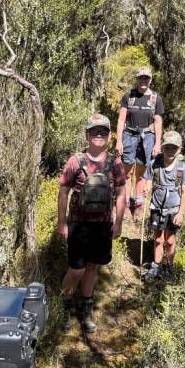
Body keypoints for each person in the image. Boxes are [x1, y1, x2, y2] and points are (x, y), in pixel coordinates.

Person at [57, 114, 126, 333]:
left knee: (92, 268)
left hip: (102, 226)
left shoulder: (115, 163)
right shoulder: (75, 161)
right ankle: (65, 305)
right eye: (94, 131)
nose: (99, 135)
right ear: (87, 135)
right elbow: (63, 191)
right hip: (78, 225)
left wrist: (118, 223)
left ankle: (85, 310)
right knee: (76, 270)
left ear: (109, 136)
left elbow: (122, 192)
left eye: (103, 131)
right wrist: (62, 223)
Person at [115, 66, 164, 220]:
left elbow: (158, 122)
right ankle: (126, 201)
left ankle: (138, 204)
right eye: (141, 78)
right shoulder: (129, 96)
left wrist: (157, 144)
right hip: (129, 135)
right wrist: (119, 141)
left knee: (142, 173)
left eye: (146, 78)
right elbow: (121, 119)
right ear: (137, 79)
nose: (143, 81)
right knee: (127, 171)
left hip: (148, 137)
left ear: (150, 80)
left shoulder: (156, 98)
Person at [143, 131, 185, 281]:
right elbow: (148, 180)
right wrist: (147, 187)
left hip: (173, 210)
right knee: (158, 239)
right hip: (157, 208)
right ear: (162, 148)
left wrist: (181, 213)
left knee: (170, 240)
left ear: (179, 149)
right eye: (167, 147)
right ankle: (155, 266)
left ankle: (169, 267)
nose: (170, 151)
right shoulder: (155, 164)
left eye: (174, 148)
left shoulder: (182, 168)